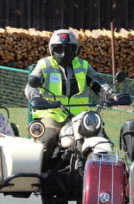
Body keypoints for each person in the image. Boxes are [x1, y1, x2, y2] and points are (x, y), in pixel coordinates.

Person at [25, 29, 120, 160]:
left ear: (75, 50)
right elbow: (31, 85)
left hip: (80, 116)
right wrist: (35, 98)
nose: (64, 53)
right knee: (46, 140)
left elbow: (98, 83)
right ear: (52, 49)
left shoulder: (82, 65)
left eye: (69, 49)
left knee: (101, 138)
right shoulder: (44, 65)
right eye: (59, 49)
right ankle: (41, 177)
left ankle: (108, 173)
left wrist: (111, 95)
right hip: (52, 114)